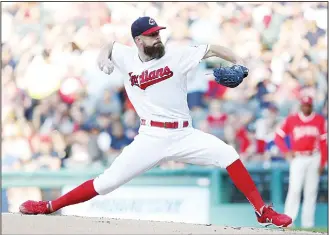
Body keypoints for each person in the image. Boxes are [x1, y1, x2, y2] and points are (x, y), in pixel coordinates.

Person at [19, 16, 292, 228]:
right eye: (151, 36)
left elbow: (212, 49)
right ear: (138, 40)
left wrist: (241, 63)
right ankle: (50, 206)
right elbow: (110, 47)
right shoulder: (126, 55)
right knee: (106, 183)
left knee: (229, 155)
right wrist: (103, 56)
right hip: (150, 137)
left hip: (184, 135)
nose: (157, 38)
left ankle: (261, 211)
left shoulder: (177, 55)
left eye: (158, 33)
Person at [274, 96, 327, 228]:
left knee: (311, 191)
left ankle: (308, 224)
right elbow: (278, 136)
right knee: (295, 189)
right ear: (300, 106)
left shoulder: (319, 120)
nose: (306, 107)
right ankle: (288, 222)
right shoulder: (292, 119)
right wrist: (286, 151)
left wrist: (323, 162)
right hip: (298, 157)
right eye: (304, 105)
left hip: (314, 156)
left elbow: (323, 142)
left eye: (308, 105)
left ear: (312, 106)